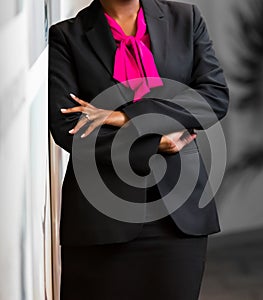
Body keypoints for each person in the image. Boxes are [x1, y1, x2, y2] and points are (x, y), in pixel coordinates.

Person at [48, 0, 229, 299]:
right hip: (100, 221)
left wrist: (125, 117)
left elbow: (213, 97)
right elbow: (69, 126)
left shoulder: (186, 19)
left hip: (179, 218)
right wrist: (154, 142)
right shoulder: (68, 36)